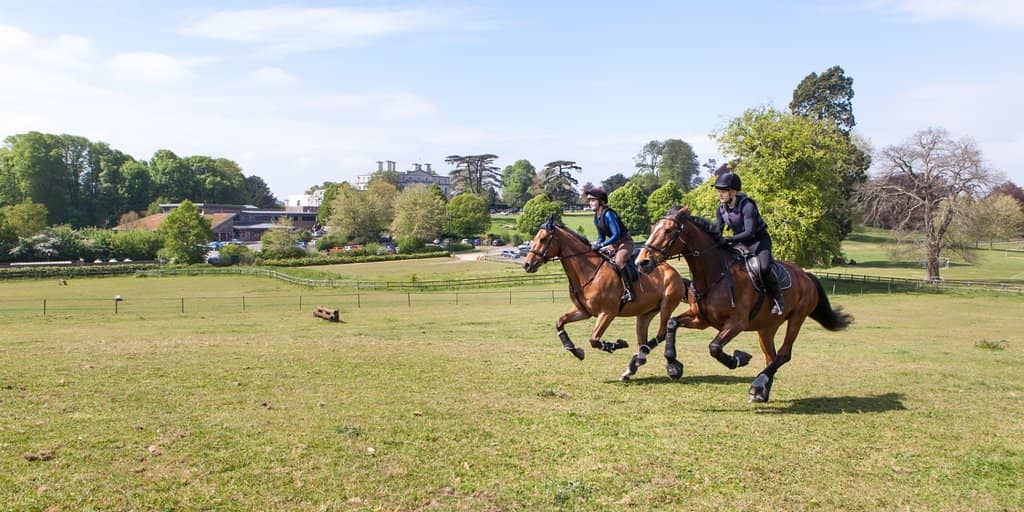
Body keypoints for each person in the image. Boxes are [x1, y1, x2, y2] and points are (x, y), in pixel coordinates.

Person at [713, 172, 785, 315]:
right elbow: (718, 232)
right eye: (719, 191)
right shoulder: (721, 209)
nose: (720, 195)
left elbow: (749, 232)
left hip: (759, 241)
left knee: (764, 268)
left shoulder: (747, 206)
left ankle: (779, 300)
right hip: (740, 243)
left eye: (723, 191)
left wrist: (729, 239)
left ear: (733, 192)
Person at [584, 185, 635, 301]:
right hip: (614, 244)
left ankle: (629, 291)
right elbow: (601, 237)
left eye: (593, 200)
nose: (590, 203)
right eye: (589, 201)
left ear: (601, 201)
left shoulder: (608, 214)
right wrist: (596, 245)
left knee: (619, 261)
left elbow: (616, 234)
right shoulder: (596, 218)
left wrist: (601, 245)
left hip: (625, 242)